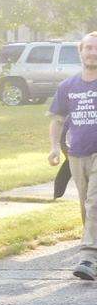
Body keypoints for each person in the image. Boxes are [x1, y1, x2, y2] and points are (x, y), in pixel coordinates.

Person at [48, 31, 97, 281]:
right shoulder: (68, 86)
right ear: (80, 52)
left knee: (94, 202)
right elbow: (57, 119)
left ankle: (88, 256)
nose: (92, 52)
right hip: (77, 153)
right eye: (88, 48)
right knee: (85, 206)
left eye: (96, 48)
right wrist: (55, 147)